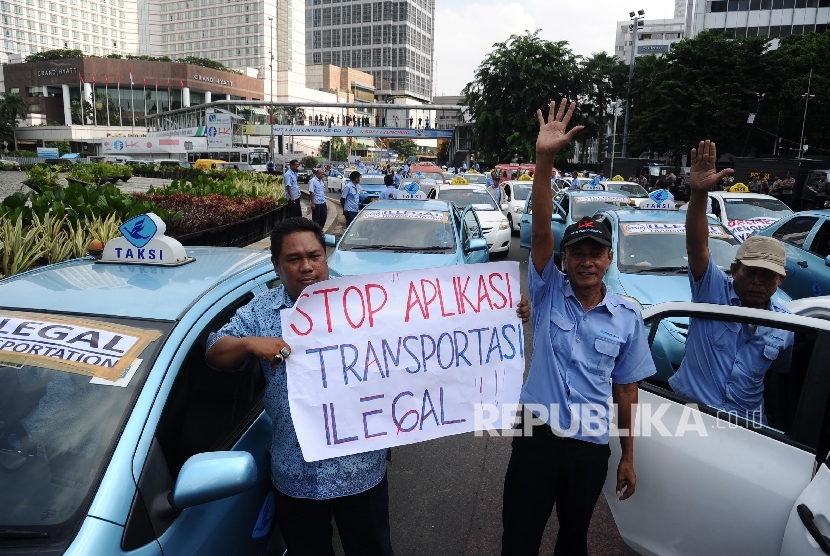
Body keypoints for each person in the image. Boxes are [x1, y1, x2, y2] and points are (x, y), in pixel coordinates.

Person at [501, 99, 655, 556]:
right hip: (536, 433)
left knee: (574, 539)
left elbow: (626, 391)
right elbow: (543, 230)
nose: (586, 261)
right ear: (564, 261)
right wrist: (544, 160)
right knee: (519, 536)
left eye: (596, 253)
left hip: (589, 443)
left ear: (609, 259)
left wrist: (628, 455)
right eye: (577, 253)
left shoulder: (628, 318)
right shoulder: (547, 294)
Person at [668, 140, 794, 425]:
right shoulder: (711, 290)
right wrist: (699, 194)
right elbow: (697, 246)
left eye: (768, 275)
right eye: (750, 272)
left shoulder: (787, 326)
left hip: (748, 425)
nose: (757, 282)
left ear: (780, 279)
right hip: (692, 416)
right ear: (735, 269)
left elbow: (781, 373)